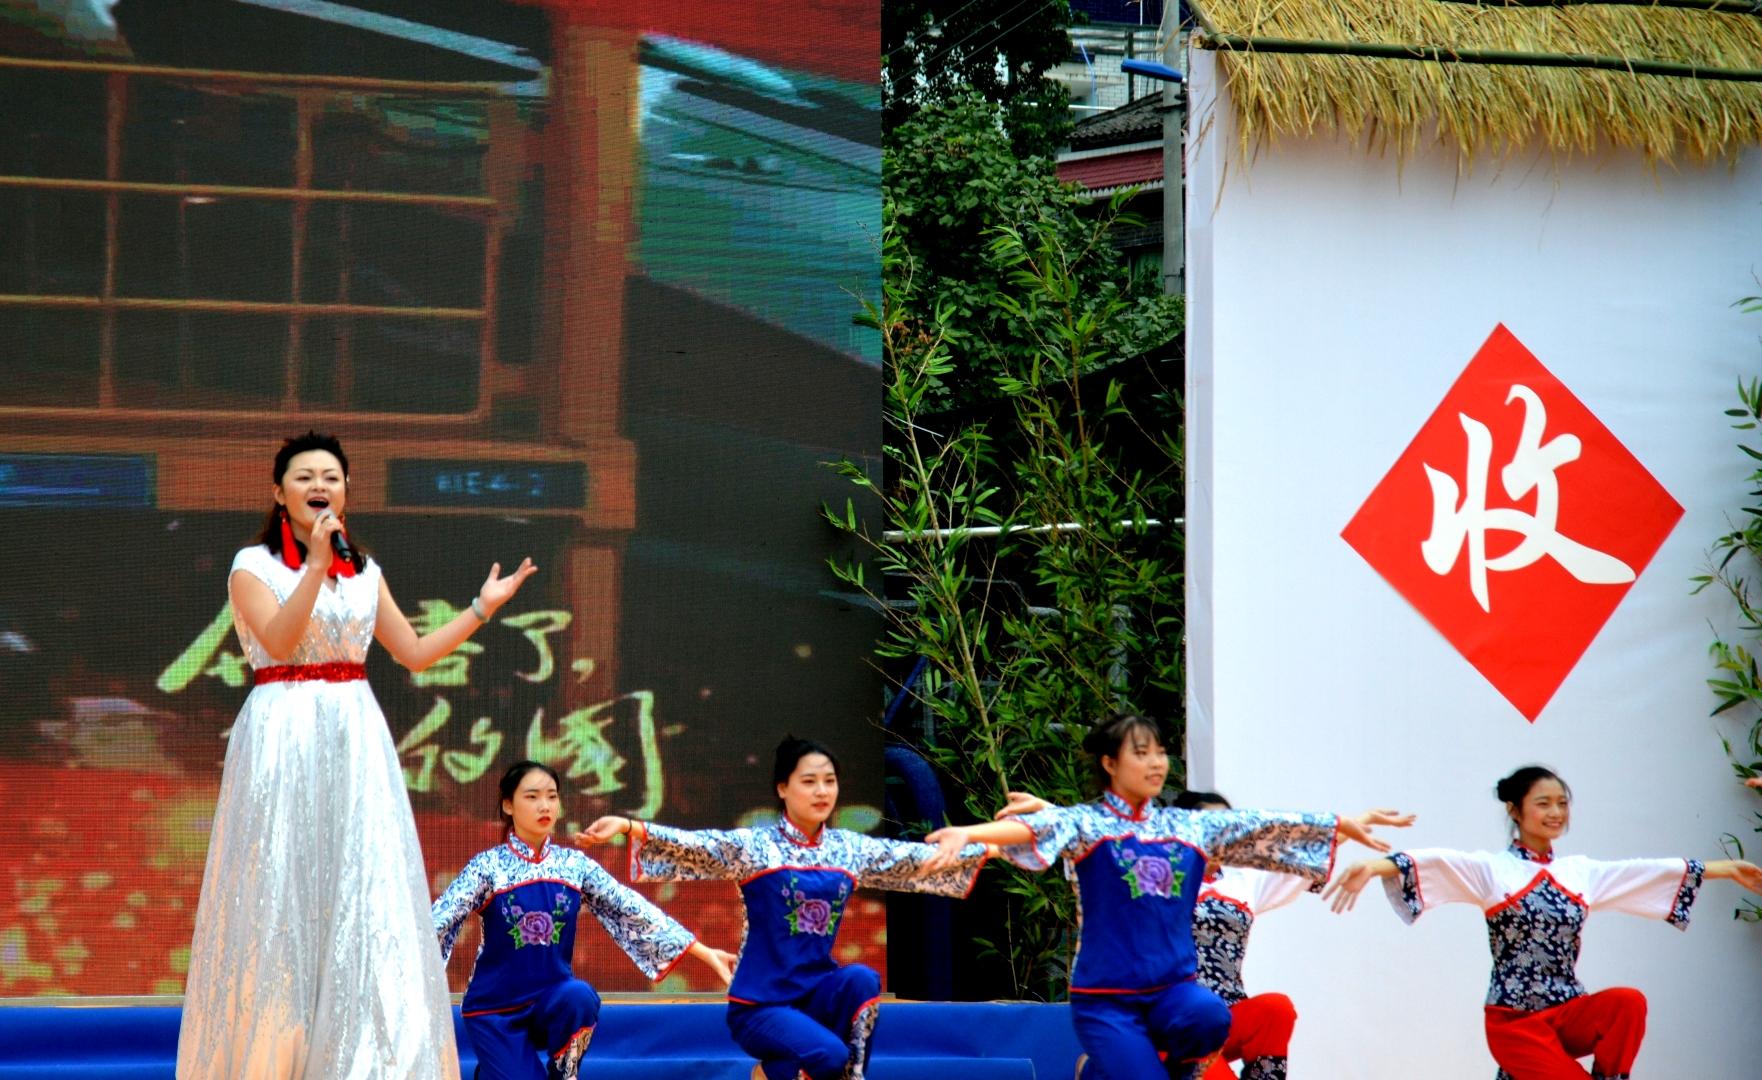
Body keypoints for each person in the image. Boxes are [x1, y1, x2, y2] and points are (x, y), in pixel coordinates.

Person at [178, 431, 538, 1079]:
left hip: (355, 729)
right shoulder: (251, 565)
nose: (319, 485)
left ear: (346, 491)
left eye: (332, 477)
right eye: (304, 476)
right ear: (279, 492)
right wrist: (315, 565)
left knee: (362, 887)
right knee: (281, 889)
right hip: (283, 728)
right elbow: (281, 642)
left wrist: (480, 610)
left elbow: (415, 654)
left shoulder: (365, 571)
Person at [922, 714, 1409, 1080]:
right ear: (1110, 763)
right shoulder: (1087, 823)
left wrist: (1339, 823)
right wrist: (967, 833)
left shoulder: (1188, 827)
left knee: (1209, 1013)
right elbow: (1035, 828)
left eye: (1160, 752)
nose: (1156, 763)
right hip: (1108, 1002)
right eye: (1142, 753)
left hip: (1175, 996)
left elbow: (1261, 825)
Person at [575, 735, 994, 1080]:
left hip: (816, 993)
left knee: (862, 980)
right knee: (828, 1055)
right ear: (783, 789)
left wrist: (995, 845)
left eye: (829, 781)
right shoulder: (756, 846)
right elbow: (696, 845)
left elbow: (912, 861)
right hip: (761, 1005)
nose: (822, 791)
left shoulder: (848, 849)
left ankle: (831, 1075)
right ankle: (774, 1071)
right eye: (809, 781)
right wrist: (628, 825)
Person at [1324, 764, 1762, 1080]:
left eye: (1562, 804)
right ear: (1515, 810)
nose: (1556, 812)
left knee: (1627, 1002)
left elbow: (1643, 873)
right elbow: (1436, 862)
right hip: (1515, 1023)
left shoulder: (1579, 873)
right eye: (1543, 803)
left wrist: (1725, 869)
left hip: (1568, 1011)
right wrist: (1373, 866)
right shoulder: (1493, 870)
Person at [432, 761, 736, 1079]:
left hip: (550, 1003)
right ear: (508, 805)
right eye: (532, 796)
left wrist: (703, 952)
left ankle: (564, 1073)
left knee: (580, 996)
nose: (545, 806)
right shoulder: (487, 867)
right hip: (495, 1012)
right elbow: (439, 920)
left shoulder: (574, 865)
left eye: (552, 796)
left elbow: (632, 908)